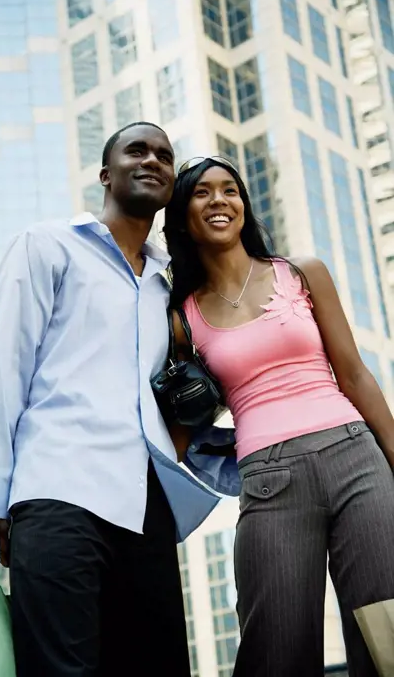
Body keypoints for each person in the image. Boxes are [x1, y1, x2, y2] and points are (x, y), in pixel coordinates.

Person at [0, 124, 224, 677]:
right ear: (106, 173)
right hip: (57, 492)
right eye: (137, 151)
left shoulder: (167, 289)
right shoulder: (48, 245)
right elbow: (1, 370)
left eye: (165, 156)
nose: (152, 160)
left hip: (144, 506)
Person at [163, 156, 394, 677]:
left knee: (387, 630)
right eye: (202, 193)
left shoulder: (301, 272)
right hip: (269, 479)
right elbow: (181, 423)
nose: (220, 200)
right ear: (182, 216)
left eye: (230, 190)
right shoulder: (183, 317)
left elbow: (354, 374)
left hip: (357, 457)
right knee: (276, 649)